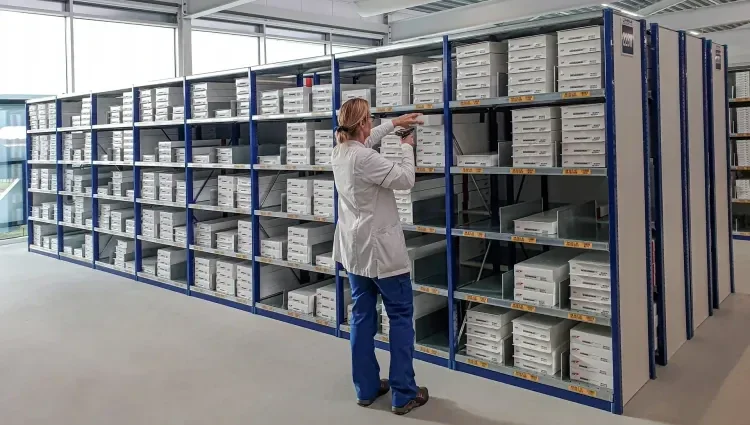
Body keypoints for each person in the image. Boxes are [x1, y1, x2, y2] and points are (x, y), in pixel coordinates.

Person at [331, 97, 429, 415]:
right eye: (370, 120)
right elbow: (405, 180)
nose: (372, 124)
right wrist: (407, 145)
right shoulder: (364, 159)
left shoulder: (341, 151)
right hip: (381, 254)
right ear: (361, 124)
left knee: (362, 317)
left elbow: (367, 141)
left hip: (354, 252)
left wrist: (395, 124)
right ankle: (403, 393)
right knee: (400, 318)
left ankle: (367, 388)